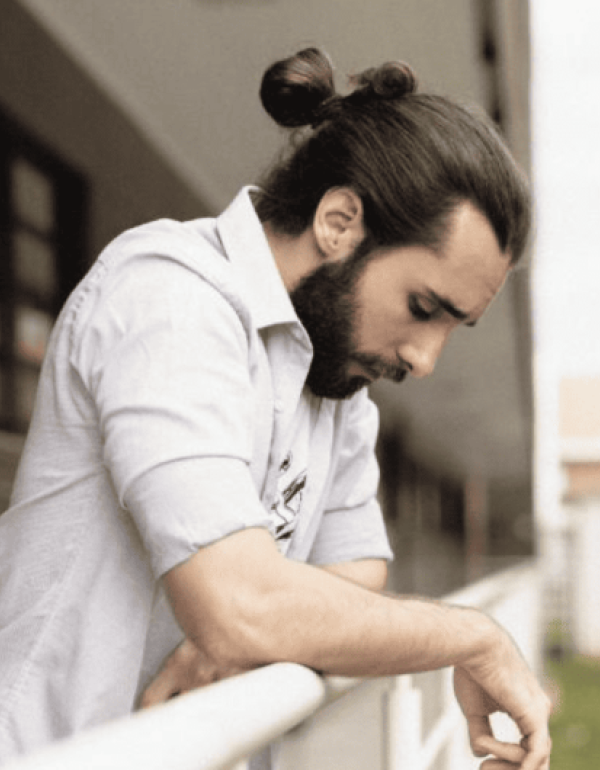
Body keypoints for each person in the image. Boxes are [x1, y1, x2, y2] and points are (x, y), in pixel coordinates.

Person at [0, 47, 550, 769]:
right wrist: (473, 636)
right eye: (423, 308)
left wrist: (252, 627)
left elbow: (357, 574)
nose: (424, 359)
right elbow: (241, 605)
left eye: (453, 326)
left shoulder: (337, 379)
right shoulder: (173, 299)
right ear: (340, 221)